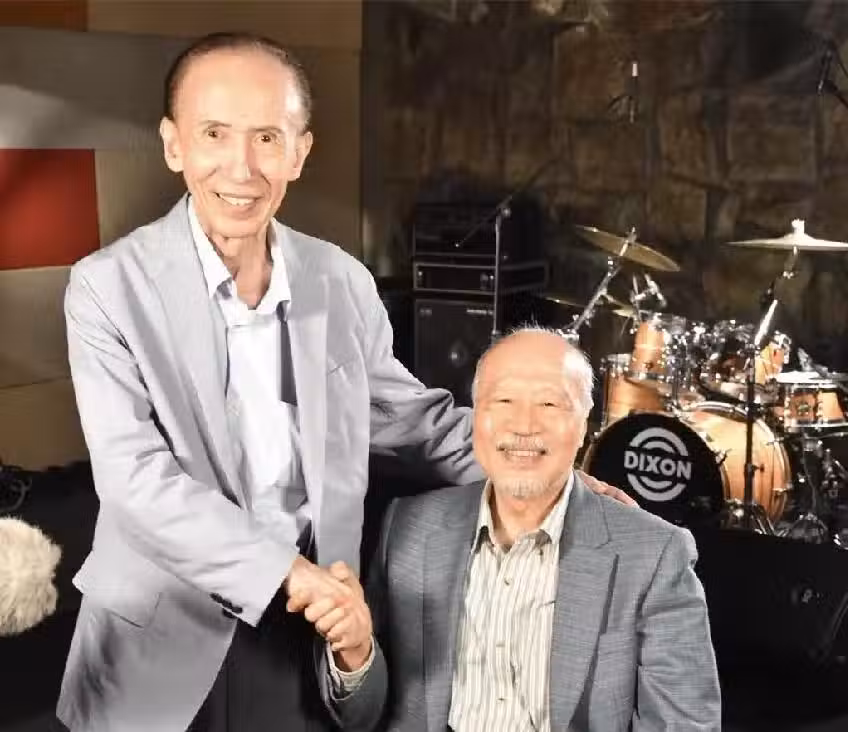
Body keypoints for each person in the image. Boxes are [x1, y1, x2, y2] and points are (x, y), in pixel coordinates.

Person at [56, 33, 631, 732]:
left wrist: (537, 472)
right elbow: (134, 481)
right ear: (174, 145)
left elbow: (410, 420)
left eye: (268, 138)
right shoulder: (107, 287)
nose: (241, 167)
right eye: (214, 134)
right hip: (156, 633)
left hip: (306, 626)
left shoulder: (341, 280)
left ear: (299, 152)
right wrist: (283, 571)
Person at [312, 328, 722, 732]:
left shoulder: (654, 554)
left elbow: (684, 723)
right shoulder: (409, 527)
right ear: (476, 416)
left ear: (584, 425)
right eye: (503, 400)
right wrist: (357, 653)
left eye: (549, 403)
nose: (524, 425)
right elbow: (361, 718)